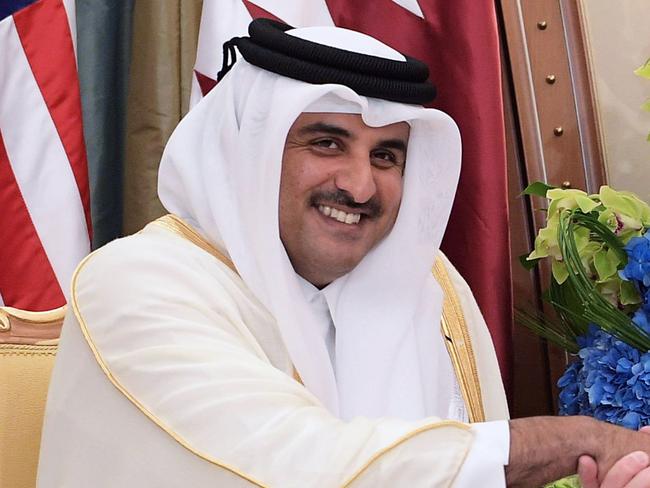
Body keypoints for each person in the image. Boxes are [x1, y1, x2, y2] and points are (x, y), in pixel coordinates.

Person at [37, 19, 650, 487]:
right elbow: (306, 465)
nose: (359, 186)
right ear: (249, 150)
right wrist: (573, 440)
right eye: (327, 143)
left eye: (387, 156)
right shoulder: (137, 281)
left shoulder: (427, 288)